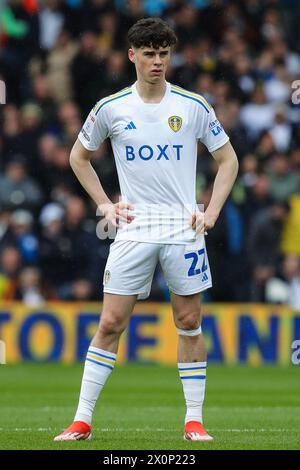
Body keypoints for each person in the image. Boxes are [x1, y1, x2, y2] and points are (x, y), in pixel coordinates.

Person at [54, 17, 238, 443]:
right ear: (132, 56)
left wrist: (210, 211)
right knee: (111, 322)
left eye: (164, 54)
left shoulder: (193, 105)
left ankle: (194, 420)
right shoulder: (111, 107)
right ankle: (81, 420)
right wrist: (104, 204)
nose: (158, 62)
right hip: (134, 229)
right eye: (150, 54)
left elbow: (228, 160)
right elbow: (77, 157)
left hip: (182, 227)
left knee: (189, 321)